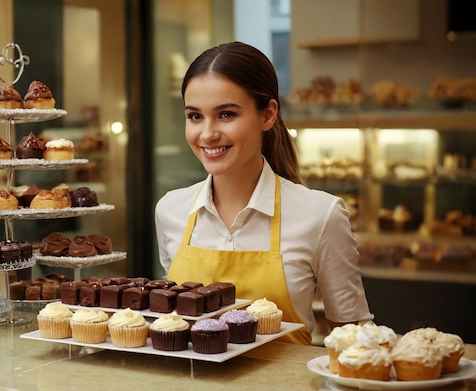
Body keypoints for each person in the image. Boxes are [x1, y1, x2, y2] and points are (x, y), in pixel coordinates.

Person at [154, 41, 373, 345]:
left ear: (268, 115)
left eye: (227, 114)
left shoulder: (321, 215)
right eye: (195, 116)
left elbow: (354, 341)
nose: (207, 134)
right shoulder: (171, 210)